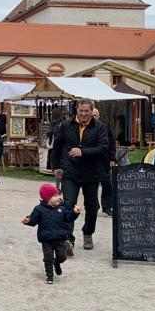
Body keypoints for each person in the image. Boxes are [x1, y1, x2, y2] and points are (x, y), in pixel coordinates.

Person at [51, 99, 109, 250]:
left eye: (87, 111)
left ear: (92, 111)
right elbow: (56, 147)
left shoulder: (100, 127)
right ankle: (68, 239)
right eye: (81, 111)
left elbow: (103, 148)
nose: (84, 114)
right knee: (68, 205)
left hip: (91, 173)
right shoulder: (65, 125)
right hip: (70, 172)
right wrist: (56, 166)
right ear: (76, 110)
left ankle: (88, 233)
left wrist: (83, 152)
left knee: (92, 206)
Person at [23, 184, 81, 284]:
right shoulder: (39, 209)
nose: (59, 197)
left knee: (62, 257)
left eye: (59, 195)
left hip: (60, 238)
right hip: (46, 239)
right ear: (47, 198)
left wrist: (75, 213)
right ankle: (49, 276)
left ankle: (57, 262)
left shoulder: (62, 208)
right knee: (48, 258)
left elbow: (68, 218)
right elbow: (33, 220)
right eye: (55, 195)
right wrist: (28, 221)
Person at [93, 107, 116, 216]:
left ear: (99, 116)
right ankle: (94, 205)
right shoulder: (85, 128)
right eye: (92, 115)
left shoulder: (105, 127)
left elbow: (112, 143)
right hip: (91, 161)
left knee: (107, 184)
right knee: (92, 185)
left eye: (95, 115)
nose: (94, 117)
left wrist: (112, 158)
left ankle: (107, 207)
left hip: (104, 160)